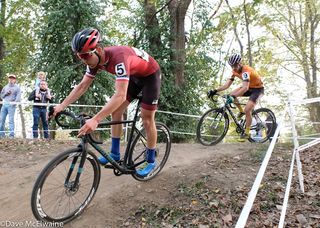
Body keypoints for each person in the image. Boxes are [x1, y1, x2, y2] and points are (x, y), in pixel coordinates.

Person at [53, 28, 161, 176]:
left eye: (85, 56)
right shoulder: (93, 61)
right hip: (134, 75)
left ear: (97, 49)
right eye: (80, 57)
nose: (83, 60)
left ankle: (150, 160)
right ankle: (115, 154)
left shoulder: (119, 58)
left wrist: (96, 120)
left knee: (147, 119)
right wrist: (61, 106)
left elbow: (120, 95)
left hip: (150, 76)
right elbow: (83, 86)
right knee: (116, 112)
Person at [207, 53, 264, 142]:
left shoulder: (246, 71)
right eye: (232, 66)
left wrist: (234, 97)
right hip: (249, 87)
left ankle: (247, 132)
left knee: (247, 109)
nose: (233, 68)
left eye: (235, 65)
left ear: (240, 63)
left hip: (258, 89)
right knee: (230, 95)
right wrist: (215, 90)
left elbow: (245, 88)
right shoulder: (234, 71)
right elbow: (227, 85)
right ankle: (241, 112)